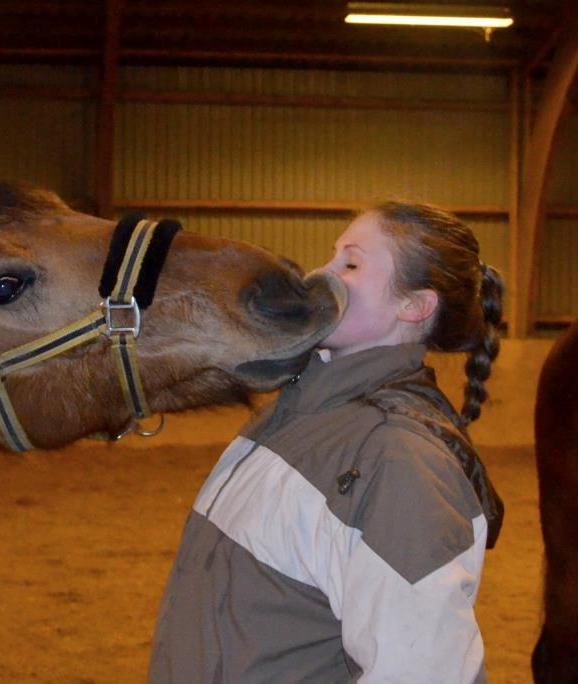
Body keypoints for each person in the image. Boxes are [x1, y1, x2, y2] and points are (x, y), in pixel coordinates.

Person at [149, 201, 505, 683]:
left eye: (351, 263)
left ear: (415, 305)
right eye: (333, 255)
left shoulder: (395, 460)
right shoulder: (299, 412)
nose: (323, 272)